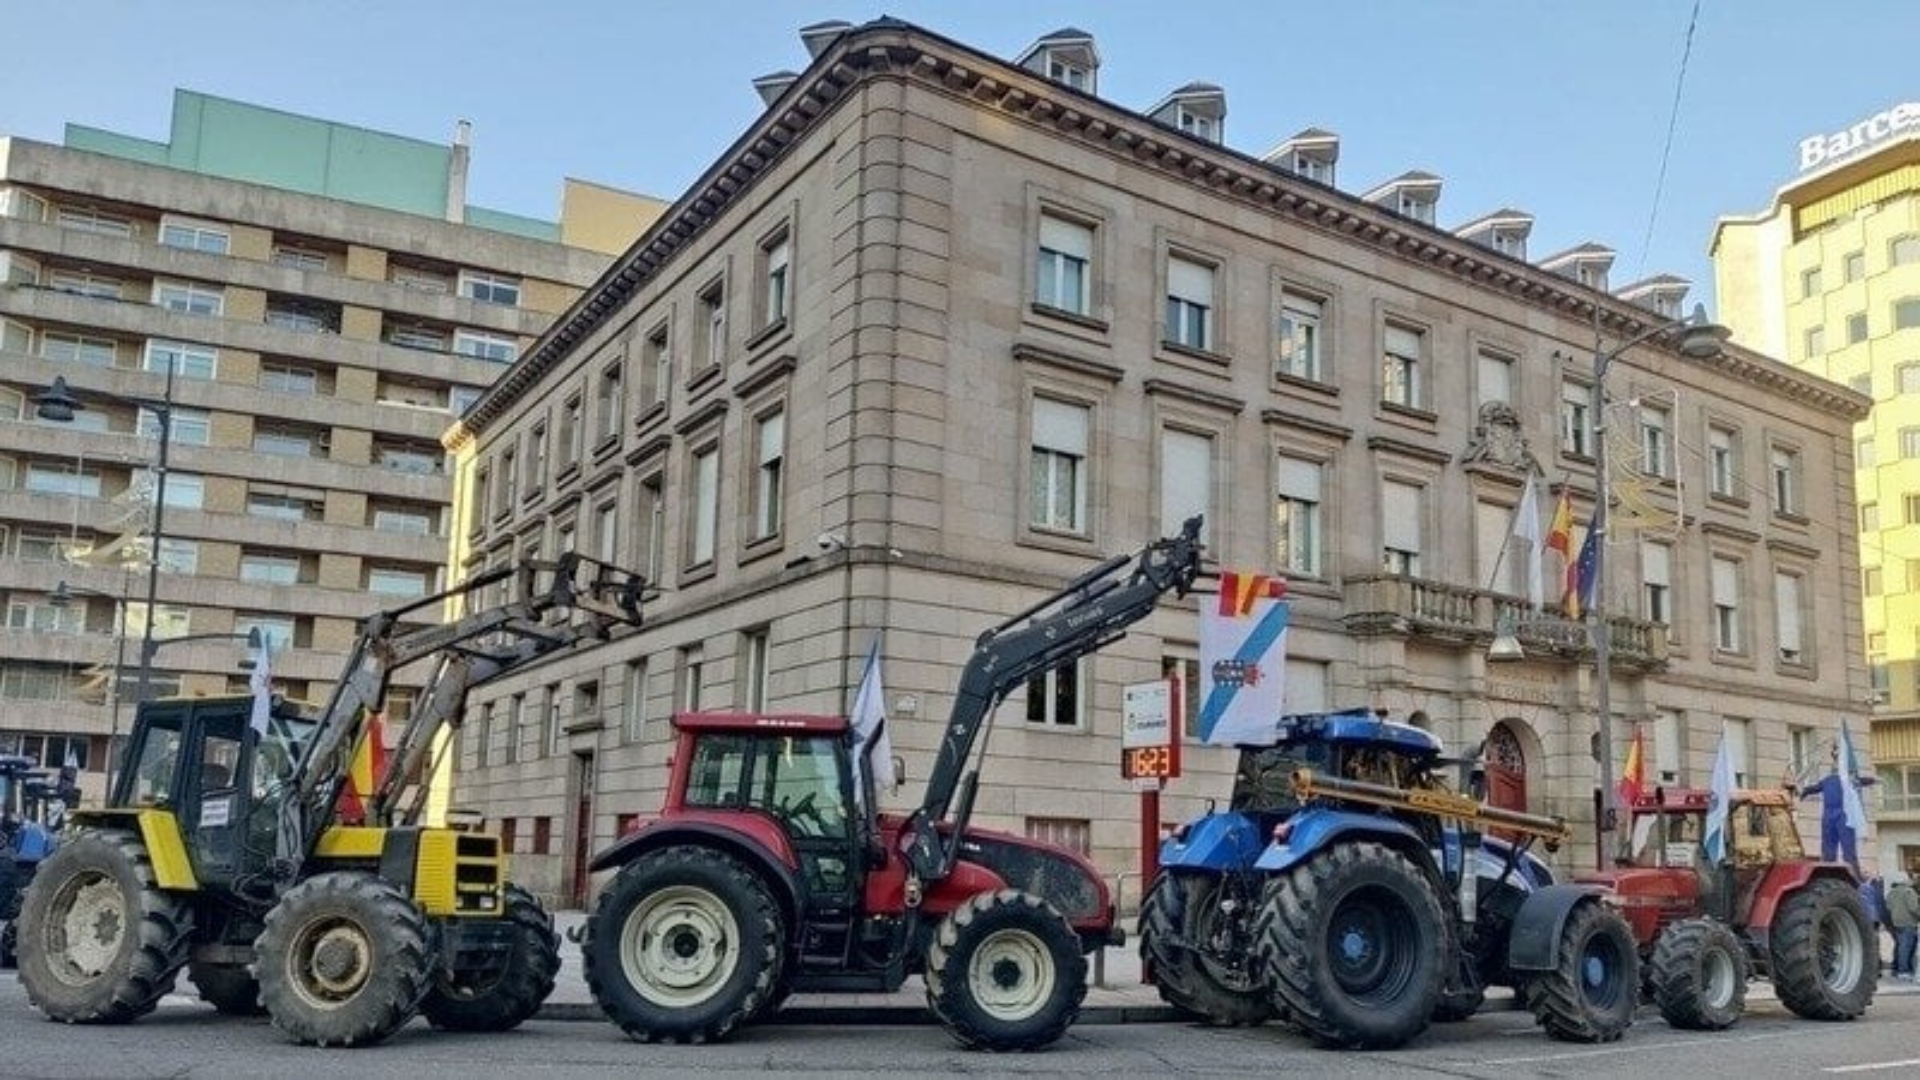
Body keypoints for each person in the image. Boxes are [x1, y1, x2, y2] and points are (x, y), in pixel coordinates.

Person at [1888, 872, 1920, 981]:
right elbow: (1914, 908)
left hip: (1896, 922)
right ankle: (1904, 971)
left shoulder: (1892, 892)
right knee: (1906, 948)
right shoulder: (1909, 892)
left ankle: (1895, 969)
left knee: (1899, 946)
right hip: (1909, 922)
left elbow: (1888, 907)